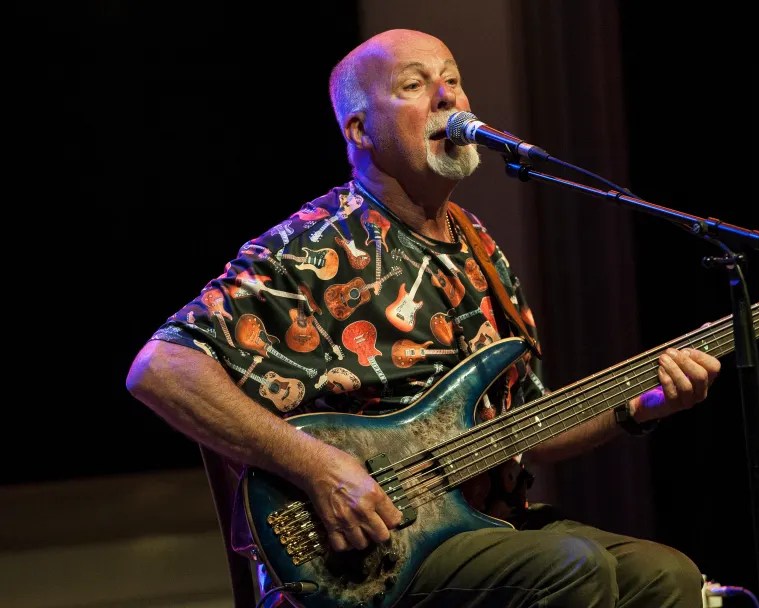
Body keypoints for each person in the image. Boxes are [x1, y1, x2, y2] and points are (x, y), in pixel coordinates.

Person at [126, 28, 721, 608]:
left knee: (665, 575)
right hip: (379, 556)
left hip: (490, 527)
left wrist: (639, 408)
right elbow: (160, 368)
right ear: (360, 129)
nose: (447, 96)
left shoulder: (479, 246)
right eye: (415, 85)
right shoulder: (310, 248)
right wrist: (319, 467)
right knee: (571, 566)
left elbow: (528, 428)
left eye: (453, 80)